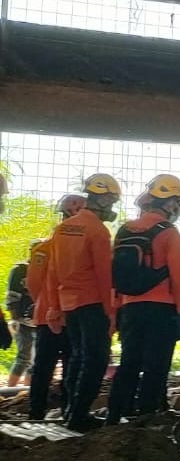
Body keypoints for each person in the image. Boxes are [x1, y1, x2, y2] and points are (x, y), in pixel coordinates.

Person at [107, 174, 180, 425]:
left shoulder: (125, 230)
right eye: (178, 203)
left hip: (130, 307)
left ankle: (115, 414)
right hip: (161, 310)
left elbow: (115, 274)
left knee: (129, 362)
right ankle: (146, 417)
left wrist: (116, 309)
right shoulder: (168, 233)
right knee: (156, 365)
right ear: (170, 203)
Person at [46, 174, 121, 432]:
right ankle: (79, 415)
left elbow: (53, 271)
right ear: (104, 199)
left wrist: (54, 307)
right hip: (93, 303)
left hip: (69, 303)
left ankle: (70, 410)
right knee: (96, 360)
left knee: (77, 357)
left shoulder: (62, 229)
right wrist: (110, 312)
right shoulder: (98, 231)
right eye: (112, 200)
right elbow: (104, 275)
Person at [26, 195, 84, 421]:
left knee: (51, 366)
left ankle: (43, 411)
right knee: (55, 366)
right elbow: (34, 283)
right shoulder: (45, 249)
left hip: (58, 315)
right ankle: (48, 411)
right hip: (63, 315)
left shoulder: (46, 248)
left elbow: (34, 284)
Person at [7, 246, 36, 387]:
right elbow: (12, 296)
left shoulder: (49, 268)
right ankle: (11, 389)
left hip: (41, 319)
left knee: (37, 359)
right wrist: (14, 318)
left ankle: (28, 389)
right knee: (23, 357)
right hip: (22, 320)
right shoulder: (20, 270)